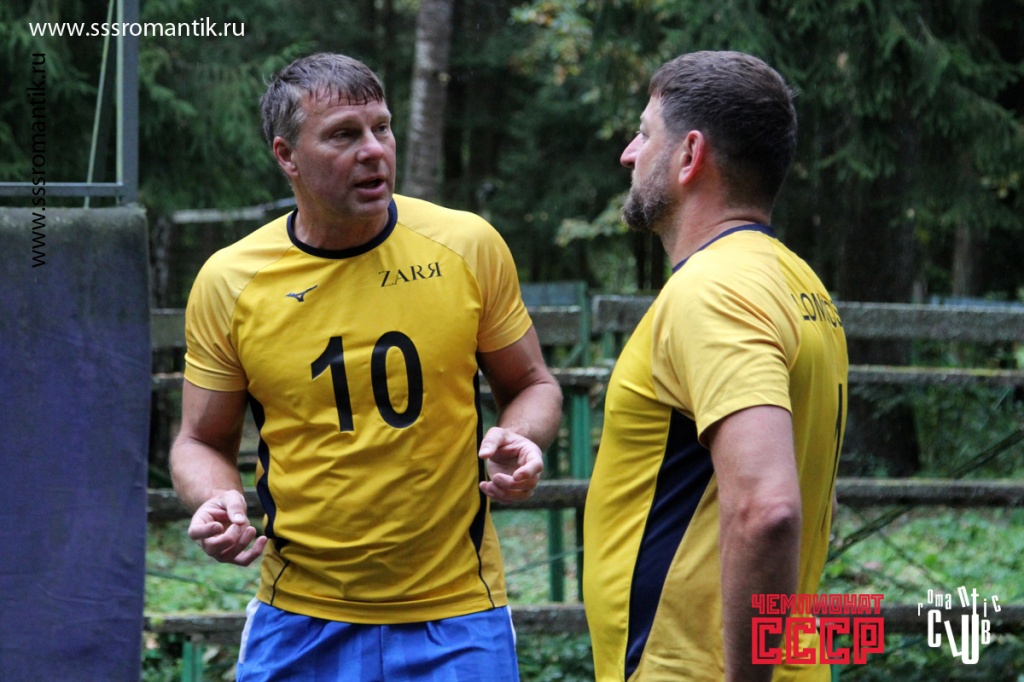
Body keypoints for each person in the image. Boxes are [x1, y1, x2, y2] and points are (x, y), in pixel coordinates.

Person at [170, 52, 563, 681]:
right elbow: (199, 440)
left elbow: (533, 384)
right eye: (343, 135)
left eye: (382, 127)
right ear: (286, 155)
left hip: (457, 615)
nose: (374, 150)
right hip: (299, 617)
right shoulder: (230, 280)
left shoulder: (467, 245)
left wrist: (522, 437)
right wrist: (218, 501)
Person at [582, 51, 849, 682]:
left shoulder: (716, 291)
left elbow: (769, 507)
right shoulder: (801, 285)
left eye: (645, 133)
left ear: (689, 155)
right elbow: (818, 493)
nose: (628, 153)